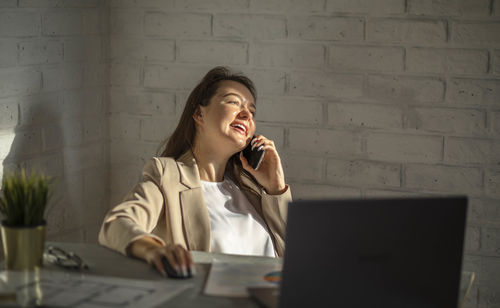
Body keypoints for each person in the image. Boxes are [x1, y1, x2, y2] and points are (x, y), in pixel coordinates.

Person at [98, 67, 292, 277]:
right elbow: (116, 224)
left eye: (252, 111)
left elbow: (298, 255)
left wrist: (276, 188)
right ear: (199, 114)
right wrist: (155, 250)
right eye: (234, 102)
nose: (246, 114)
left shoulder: (251, 189)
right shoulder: (168, 177)